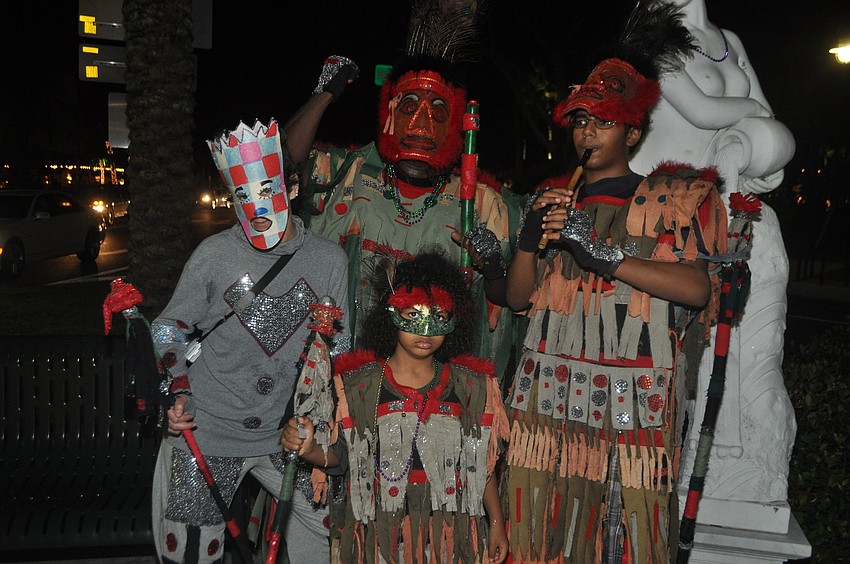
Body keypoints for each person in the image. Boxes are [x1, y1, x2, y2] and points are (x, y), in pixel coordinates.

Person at [500, 2, 729, 562]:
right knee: (540, 533)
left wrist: (601, 253)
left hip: (634, 407)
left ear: (632, 131)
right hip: (547, 399)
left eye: (603, 122)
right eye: (581, 121)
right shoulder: (553, 198)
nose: (587, 134)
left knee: (624, 538)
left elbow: (696, 290)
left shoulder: (674, 197)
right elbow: (516, 300)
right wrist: (530, 239)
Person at [149, 117, 350, 564]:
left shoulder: (328, 260)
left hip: (288, 433)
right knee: (191, 550)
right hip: (211, 429)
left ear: (291, 189)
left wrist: (324, 417)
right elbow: (168, 327)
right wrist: (176, 390)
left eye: (265, 192)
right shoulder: (215, 254)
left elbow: (339, 349)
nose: (255, 207)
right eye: (243, 195)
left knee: (325, 533)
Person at [284, 2, 518, 382]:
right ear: (388, 112)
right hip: (340, 376)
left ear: (457, 123)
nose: (422, 122)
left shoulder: (480, 203)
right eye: (409, 106)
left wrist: (491, 266)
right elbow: (280, 166)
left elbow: (508, 299)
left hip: (427, 391)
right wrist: (326, 93)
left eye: (439, 111)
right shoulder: (347, 174)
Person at [628, 0, 797, 508]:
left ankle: (739, 470)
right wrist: (752, 119)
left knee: (755, 357)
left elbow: (773, 130)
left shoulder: (730, 40)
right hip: (666, 217)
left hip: (730, 207)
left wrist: (750, 144)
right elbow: (703, 111)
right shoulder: (653, 35)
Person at [282, 249, 510, 563]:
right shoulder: (360, 387)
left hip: (448, 540)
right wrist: (308, 448)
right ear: (391, 314)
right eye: (412, 315)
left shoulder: (469, 387)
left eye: (439, 316)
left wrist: (496, 523)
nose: (425, 331)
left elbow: (482, 466)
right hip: (381, 540)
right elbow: (343, 459)